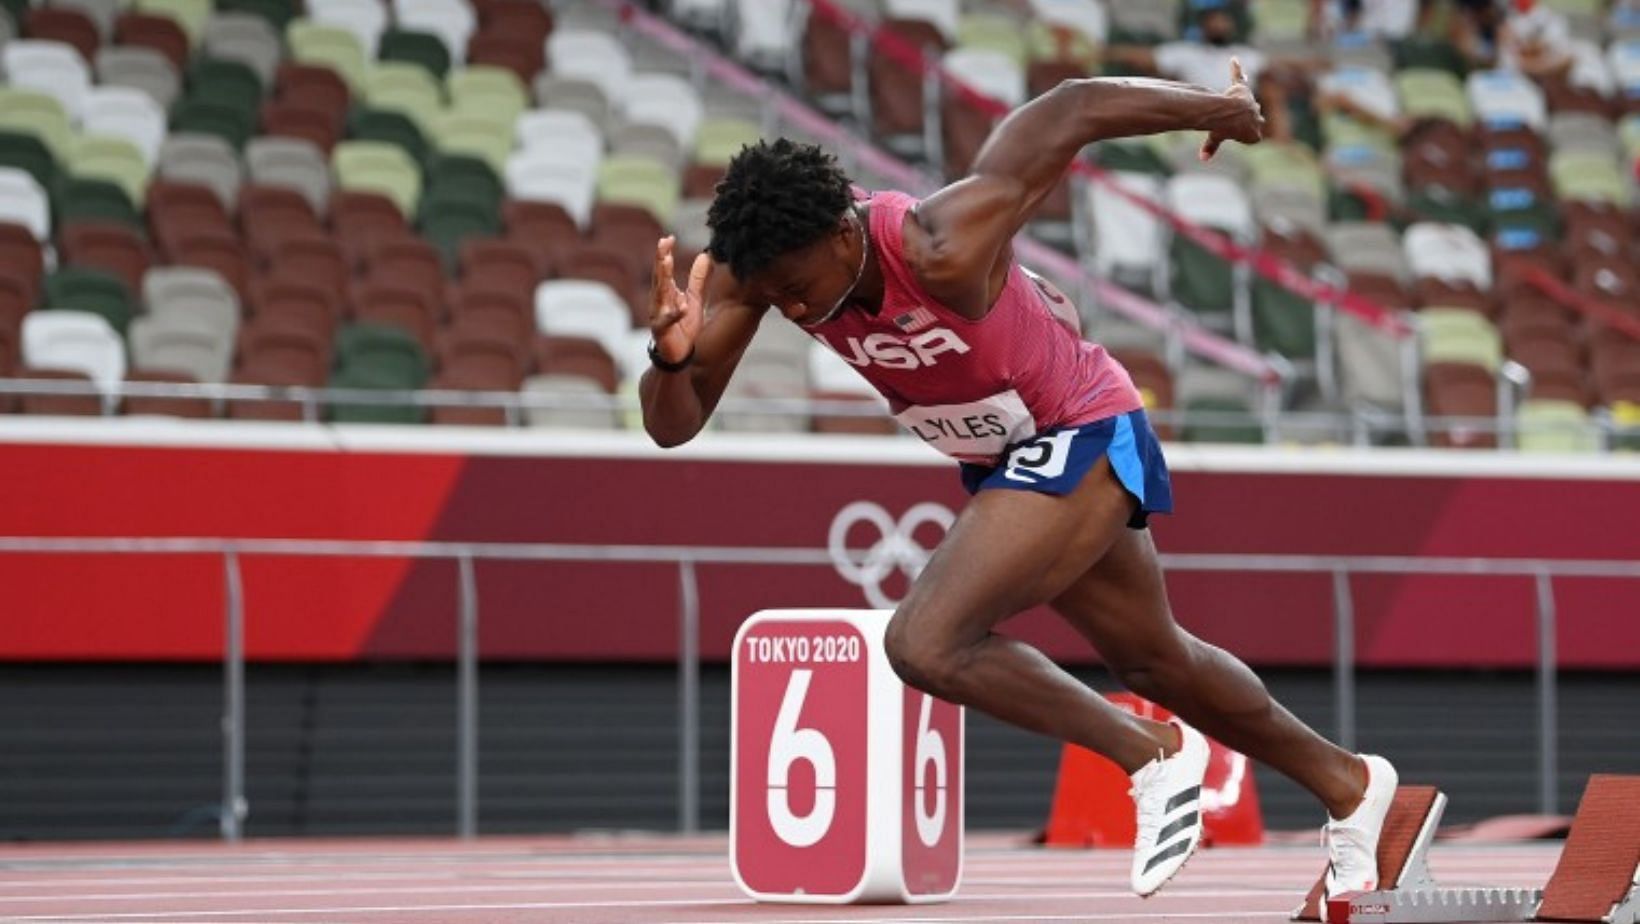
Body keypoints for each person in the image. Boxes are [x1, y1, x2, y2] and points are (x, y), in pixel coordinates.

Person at [639, 61, 1399, 899]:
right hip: (1006, 457)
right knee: (1156, 660)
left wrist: (1221, 107)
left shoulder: (941, 244)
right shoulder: (755, 269)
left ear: (844, 236)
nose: (794, 311)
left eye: (799, 289)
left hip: (1083, 425)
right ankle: (1353, 787)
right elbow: (674, 423)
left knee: (923, 643)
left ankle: (1153, 756)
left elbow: (1071, 109)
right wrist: (667, 360)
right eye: (775, 298)